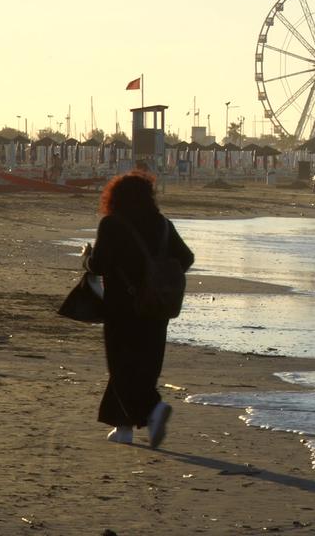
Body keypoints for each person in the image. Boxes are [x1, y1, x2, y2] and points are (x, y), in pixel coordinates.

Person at [87, 171, 193, 447]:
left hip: (121, 307)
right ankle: (123, 429)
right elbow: (186, 257)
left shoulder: (112, 224)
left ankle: (153, 409)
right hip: (157, 304)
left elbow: (98, 265)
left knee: (122, 366)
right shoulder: (163, 225)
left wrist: (86, 262)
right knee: (145, 366)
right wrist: (159, 276)